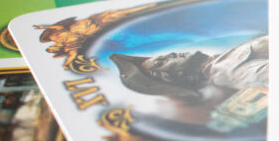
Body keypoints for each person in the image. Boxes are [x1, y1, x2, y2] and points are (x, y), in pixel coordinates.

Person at [111, 35, 268, 105]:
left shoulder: (222, 62)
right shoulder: (230, 73)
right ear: (173, 76)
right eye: (162, 61)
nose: (171, 54)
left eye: (162, 56)